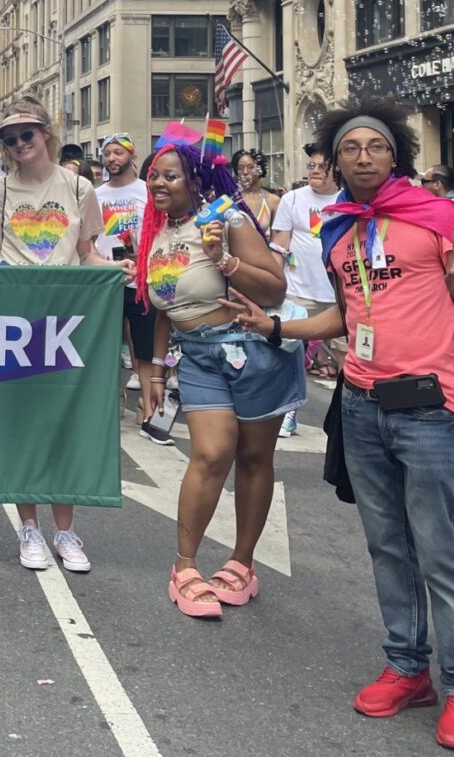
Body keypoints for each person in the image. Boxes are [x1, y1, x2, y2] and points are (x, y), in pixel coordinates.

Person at [225, 102, 454, 753]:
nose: (361, 156)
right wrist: (275, 326)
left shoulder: (440, 218)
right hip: (361, 403)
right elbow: (346, 314)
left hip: (431, 407)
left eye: (374, 146)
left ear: (395, 155)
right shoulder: (339, 230)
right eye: (348, 147)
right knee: (386, 546)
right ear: (334, 160)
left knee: (439, 552)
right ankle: (408, 668)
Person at [135, 138, 293, 619]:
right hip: (199, 357)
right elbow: (167, 308)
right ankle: (185, 568)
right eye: (154, 175)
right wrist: (157, 369)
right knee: (209, 454)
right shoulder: (156, 231)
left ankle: (242, 564)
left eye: (170, 175)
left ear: (196, 180)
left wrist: (224, 258)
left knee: (253, 458)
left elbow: (275, 289)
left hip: (253, 351)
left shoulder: (230, 220)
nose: (158, 183)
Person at [0, 97, 103, 573]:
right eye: (9, 139)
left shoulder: (80, 187)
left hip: (68, 323)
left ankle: (65, 532)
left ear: (46, 133)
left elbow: (87, 254)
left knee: (65, 426)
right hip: (16, 326)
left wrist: (118, 269)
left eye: (26, 134)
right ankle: (29, 527)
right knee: (23, 427)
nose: (19, 144)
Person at [269, 144, 346, 411]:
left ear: (337, 170)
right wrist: (273, 288)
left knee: (348, 360)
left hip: (340, 295)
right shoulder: (292, 199)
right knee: (290, 356)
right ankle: (286, 414)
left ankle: (345, 417)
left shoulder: (348, 199)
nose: (314, 171)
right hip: (299, 293)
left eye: (322, 167)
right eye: (311, 166)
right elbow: (279, 247)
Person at [94, 134, 161, 440]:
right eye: (107, 153)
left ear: (132, 157)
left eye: (118, 152)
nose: (111, 158)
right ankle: (113, 399)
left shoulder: (147, 191)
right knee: (106, 347)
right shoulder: (94, 194)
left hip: (141, 280)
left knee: (144, 348)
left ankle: (148, 411)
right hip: (106, 279)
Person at [233, 150, 279, 234]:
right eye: (240, 168)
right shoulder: (231, 199)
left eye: (250, 167)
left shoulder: (273, 201)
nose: (245, 172)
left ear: (260, 169)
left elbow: (277, 239)